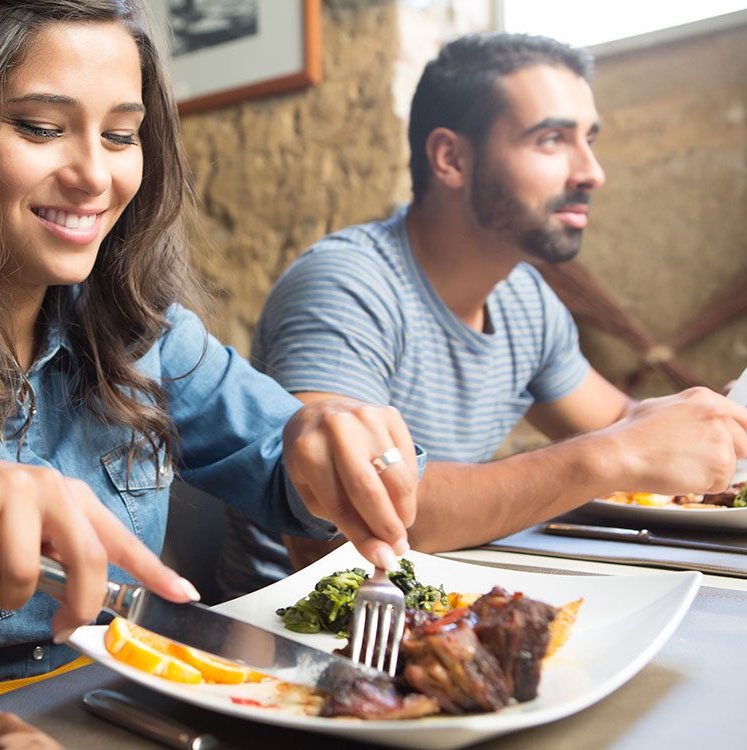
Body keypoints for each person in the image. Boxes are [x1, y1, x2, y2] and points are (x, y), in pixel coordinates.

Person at [0, 0, 422, 731]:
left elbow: (286, 463)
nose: (95, 177)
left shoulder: (133, 325)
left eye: (121, 135)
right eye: (41, 128)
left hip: (123, 711)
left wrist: (326, 441)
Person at [218, 31, 747, 598]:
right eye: (551, 140)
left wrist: (699, 431)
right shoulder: (346, 285)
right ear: (451, 158)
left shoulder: (525, 298)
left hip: (443, 606)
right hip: (289, 634)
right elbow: (347, 518)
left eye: (588, 140)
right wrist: (617, 454)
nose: (591, 172)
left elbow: (629, 426)